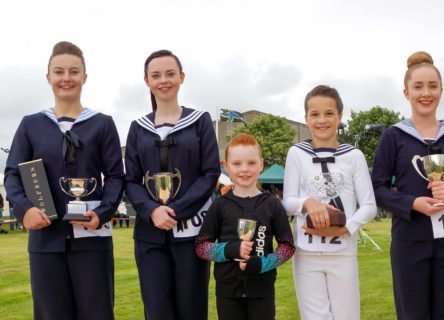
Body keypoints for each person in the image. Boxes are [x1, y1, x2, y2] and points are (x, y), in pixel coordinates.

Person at [3, 41, 124, 319]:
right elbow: (13, 174)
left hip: (93, 239)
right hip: (46, 241)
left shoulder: (102, 123)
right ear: (48, 77)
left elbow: (116, 176)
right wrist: (25, 209)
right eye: (59, 72)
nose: (66, 78)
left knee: (97, 313)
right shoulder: (30, 124)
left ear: (85, 77)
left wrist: (102, 213)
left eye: (73, 71)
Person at [371, 51, 444, 320]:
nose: (426, 93)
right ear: (406, 92)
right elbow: (377, 189)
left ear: (441, 90)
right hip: (409, 240)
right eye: (418, 86)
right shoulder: (393, 137)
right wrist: (411, 203)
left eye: (433, 86)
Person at [125, 49, 220, 320]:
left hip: (192, 231)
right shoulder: (137, 128)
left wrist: (176, 209)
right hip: (149, 234)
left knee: (192, 308)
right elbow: (131, 179)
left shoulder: (200, 122)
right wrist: (151, 210)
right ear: (147, 81)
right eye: (156, 75)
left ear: (181, 77)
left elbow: (209, 173)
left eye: (170, 73)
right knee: (156, 309)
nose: (163, 80)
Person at [283, 85, 377, 320]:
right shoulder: (296, 153)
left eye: (329, 113)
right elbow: (287, 202)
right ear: (306, 118)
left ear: (339, 117)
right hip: (306, 252)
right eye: (314, 114)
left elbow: (369, 205)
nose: (322, 120)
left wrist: (345, 228)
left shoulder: (354, 156)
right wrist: (308, 203)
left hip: (342, 252)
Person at [196, 133, 295, 320]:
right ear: (225, 167)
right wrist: (229, 250)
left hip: (262, 291)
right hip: (227, 292)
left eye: (251, 163)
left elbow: (287, 247)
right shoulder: (219, 205)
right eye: (237, 163)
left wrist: (262, 264)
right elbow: (201, 247)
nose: (244, 170)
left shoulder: (272, 204)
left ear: (261, 164)